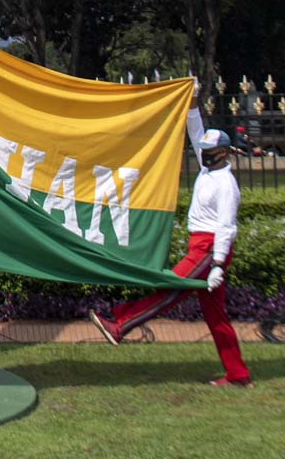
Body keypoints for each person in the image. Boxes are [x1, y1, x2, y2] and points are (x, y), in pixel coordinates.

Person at [89, 88, 252, 387]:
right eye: (203, 149)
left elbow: (227, 226)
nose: (202, 152)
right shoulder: (208, 168)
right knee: (217, 316)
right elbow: (195, 130)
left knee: (170, 288)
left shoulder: (226, 184)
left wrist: (217, 263)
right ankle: (238, 374)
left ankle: (119, 325)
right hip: (201, 246)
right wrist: (190, 102)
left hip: (208, 248)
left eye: (209, 151)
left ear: (224, 154)